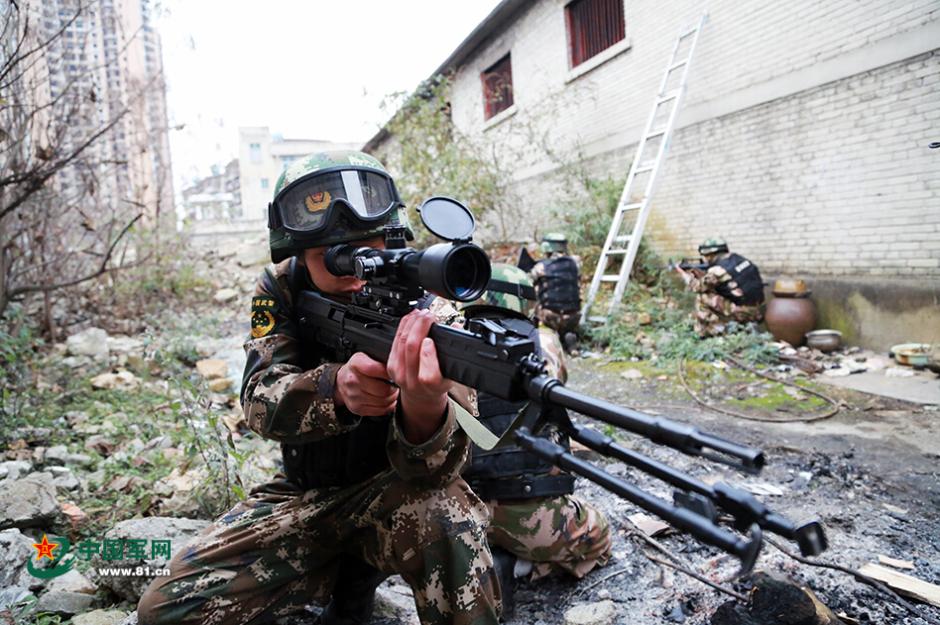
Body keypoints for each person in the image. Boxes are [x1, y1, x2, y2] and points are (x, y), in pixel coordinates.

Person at [137, 151, 500, 625]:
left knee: (450, 517)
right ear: (297, 254)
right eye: (334, 257)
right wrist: (334, 390)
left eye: (370, 249)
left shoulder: (430, 308)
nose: (357, 272)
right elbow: (258, 401)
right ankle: (336, 578)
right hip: (305, 493)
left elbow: (438, 471)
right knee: (165, 608)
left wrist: (424, 408)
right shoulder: (281, 288)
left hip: (398, 493)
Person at [457, 264, 611, 618]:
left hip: (460, 512)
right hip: (532, 515)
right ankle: (524, 562)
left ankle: (491, 555)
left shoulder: (447, 341)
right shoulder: (545, 343)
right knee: (600, 534)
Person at [675, 237, 765, 338]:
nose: (705, 258)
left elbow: (696, 287)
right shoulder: (740, 259)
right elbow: (728, 281)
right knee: (715, 291)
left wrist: (682, 273)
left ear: (711, 254)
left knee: (703, 296)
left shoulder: (718, 270)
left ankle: (706, 332)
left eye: (706, 255)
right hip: (758, 309)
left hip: (743, 312)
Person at [529, 233, 581, 352]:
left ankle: (543, 336)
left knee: (534, 296)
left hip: (551, 315)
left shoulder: (541, 267)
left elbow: (529, 282)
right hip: (573, 316)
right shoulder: (575, 263)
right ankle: (569, 337)